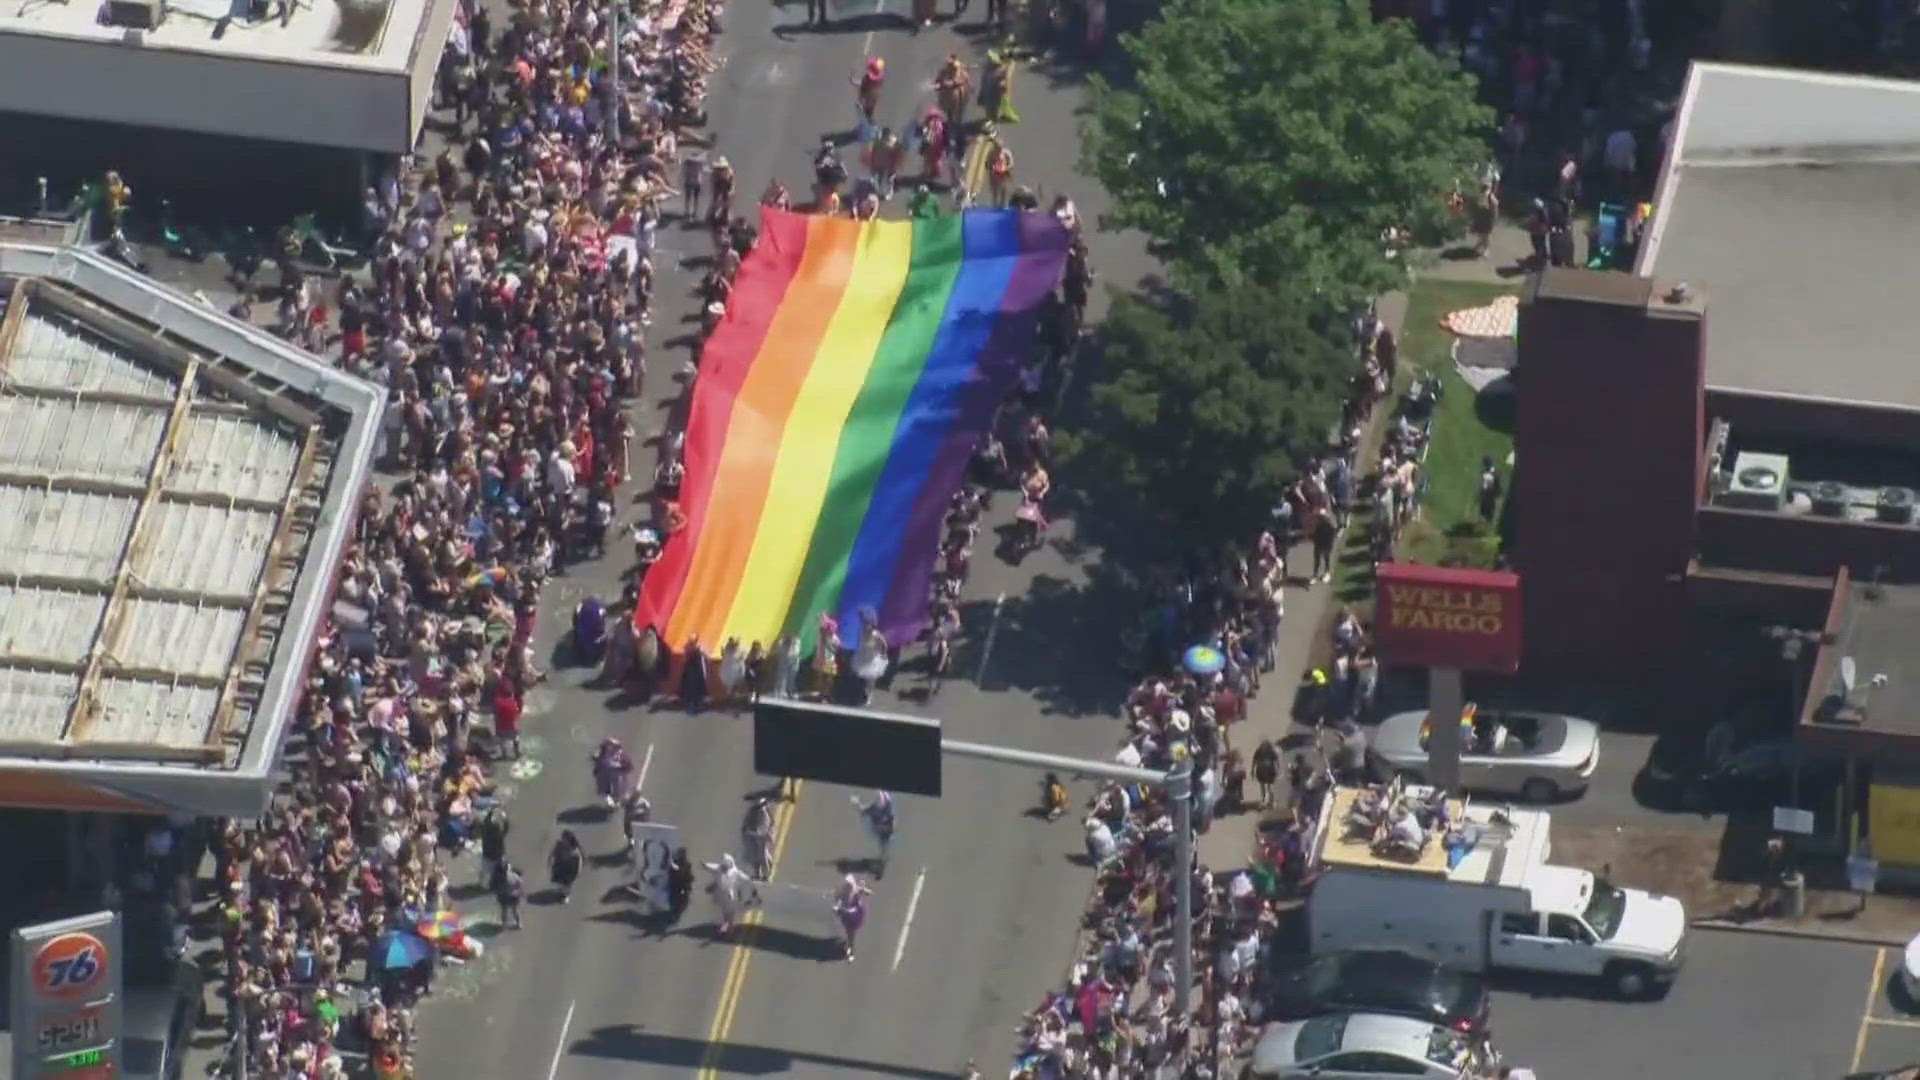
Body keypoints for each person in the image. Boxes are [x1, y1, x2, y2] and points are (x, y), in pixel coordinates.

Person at [704, 853, 756, 934]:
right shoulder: (719, 868)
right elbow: (711, 866)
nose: (724, 867)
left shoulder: (734, 872)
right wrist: (705, 865)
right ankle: (725, 927)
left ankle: (729, 932)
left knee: (730, 914)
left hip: (731, 895)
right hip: (722, 894)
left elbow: (743, 876)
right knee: (725, 912)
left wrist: (749, 879)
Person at [851, 790, 895, 874]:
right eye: (878, 799)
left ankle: (882, 861)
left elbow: (892, 819)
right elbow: (863, 811)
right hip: (880, 830)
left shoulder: (887, 808)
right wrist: (857, 803)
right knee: (883, 844)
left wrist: (891, 830)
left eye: (880, 799)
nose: (879, 801)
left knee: (884, 844)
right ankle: (882, 859)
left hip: (885, 830)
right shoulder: (874, 808)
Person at [833, 875, 871, 960]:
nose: (848, 887)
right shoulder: (842, 894)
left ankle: (851, 952)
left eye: (849, 885)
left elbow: (867, 892)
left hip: (855, 917)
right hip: (847, 917)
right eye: (846, 885)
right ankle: (848, 947)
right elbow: (838, 903)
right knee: (849, 933)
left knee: (851, 935)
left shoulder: (855, 890)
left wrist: (865, 890)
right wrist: (837, 908)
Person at [741, 797, 774, 880]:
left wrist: (769, 833)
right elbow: (746, 825)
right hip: (755, 836)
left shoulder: (765, 812)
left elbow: (771, 823)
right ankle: (759, 874)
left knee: (763, 856)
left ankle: (765, 875)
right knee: (757, 857)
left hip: (761, 836)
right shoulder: (754, 812)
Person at [549, 830, 583, 902]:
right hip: (559, 866)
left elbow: (578, 862)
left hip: (569, 870)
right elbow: (553, 852)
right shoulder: (559, 844)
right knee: (559, 881)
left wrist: (577, 873)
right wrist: (550, 859)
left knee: (567, 884)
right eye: (563, 838)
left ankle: (565, 896)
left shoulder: (575, 851)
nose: (563, 840)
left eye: (564, 838)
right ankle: (561, 890)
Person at [494, 860, 525, 929]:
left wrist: (498, 893)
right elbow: (520, 884)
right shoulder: (515, 876)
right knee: (515, 910)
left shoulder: (500, 877)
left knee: (504, 910)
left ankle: (504, 925)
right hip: (514, 896)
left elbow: (497, 887)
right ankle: (518, 924)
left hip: (504, 896)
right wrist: (519, 892)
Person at [1252, 740, 1280, 809]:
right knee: (1268, 787)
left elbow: (1254, 761)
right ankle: (1269, 801)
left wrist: (1252, 770)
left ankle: (1268, 801)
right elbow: (1276, 762)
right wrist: (1278, 769)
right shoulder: (1270, 751)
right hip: (1266, 770)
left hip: (1265, 770)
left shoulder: (1261, 751)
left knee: (1266, 787)